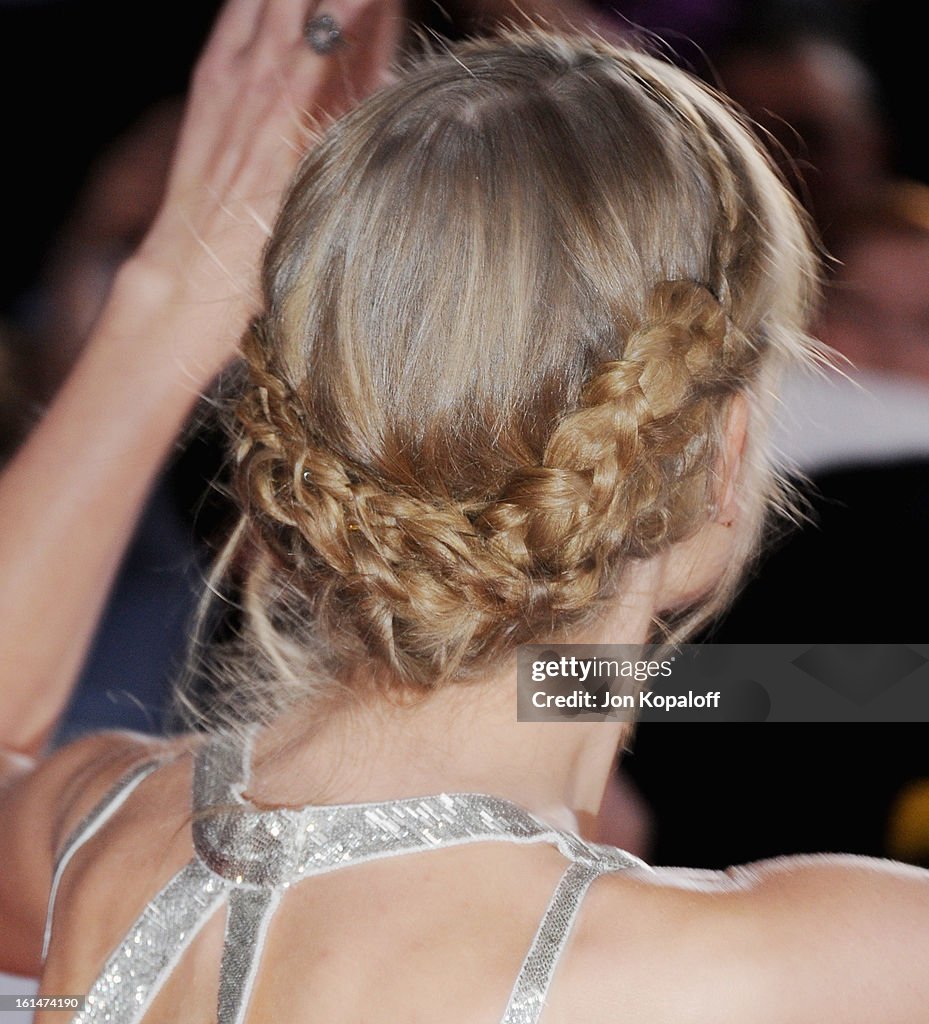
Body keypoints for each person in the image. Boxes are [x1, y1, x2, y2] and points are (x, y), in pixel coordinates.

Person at [1, 4, 928, 1024]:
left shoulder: (98, 830)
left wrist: (178, 288)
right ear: (726, 451)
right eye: (862, 321)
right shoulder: (817, 960)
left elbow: (610, 678)